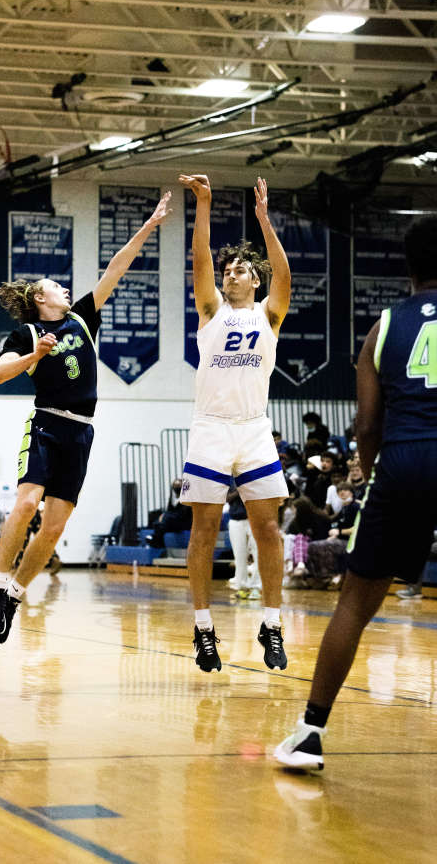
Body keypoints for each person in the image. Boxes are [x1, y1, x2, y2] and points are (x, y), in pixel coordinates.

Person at [275, 213, 437, 770]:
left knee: (355, 603)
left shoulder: (384, 327)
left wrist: (371, 475)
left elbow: (367, 425)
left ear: (408, 268)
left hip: (402, 460)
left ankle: (310, 733)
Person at [0, 191, 173, 643]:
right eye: (57, 287)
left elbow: (115, 270)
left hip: (81, 431)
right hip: (46, 423)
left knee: (54, 526)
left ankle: (15, 593)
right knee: (26, 504)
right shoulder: (27, 332)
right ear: (40, 297)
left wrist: (149, 226)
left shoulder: (82, 318)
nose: (66, 290)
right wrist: (34, 355)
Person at [178, 174, 291, 673]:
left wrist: (264, 220)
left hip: (253, 428)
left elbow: (284, 274)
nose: (230, 274)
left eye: (241, 270)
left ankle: (272, 623)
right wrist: (203, 204)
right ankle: (204, 630)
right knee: (204, 531)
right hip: (211, 428)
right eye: (228, 270)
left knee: (269, 530)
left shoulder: (269, 315)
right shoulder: (211, 312)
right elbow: (200, 259)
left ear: (255, 281)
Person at [305, 482, 359, 589]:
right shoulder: (343, 509)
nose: (342, 492)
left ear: (351, 492)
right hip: (342, 540)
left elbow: (358, 528)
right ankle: (322, 577)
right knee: (312, 546)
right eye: (339, 491)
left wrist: (339, 532)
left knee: (320, 546)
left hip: (353, 543)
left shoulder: (355, 507)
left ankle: (331, 576)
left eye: (345, 490)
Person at [226, 483, 261, 600]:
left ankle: (256, 587)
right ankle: (242, 588)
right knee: (239, 555)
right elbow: (224, 498)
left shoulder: (256, 475)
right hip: (235, 519)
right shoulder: (228, 477)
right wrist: (238, 491)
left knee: (258, 554)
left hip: (255, 518)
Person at [147, 479, 193, 548]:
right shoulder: (172, 498)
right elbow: (169, 510)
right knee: (158, 519)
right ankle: (159, 541)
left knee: (165, 517)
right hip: (174, 520)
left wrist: (169, 515)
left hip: (185, 522)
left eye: (178, 486)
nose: (176, 488)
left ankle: (156, 538)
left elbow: (184, 514)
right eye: (175, 486)